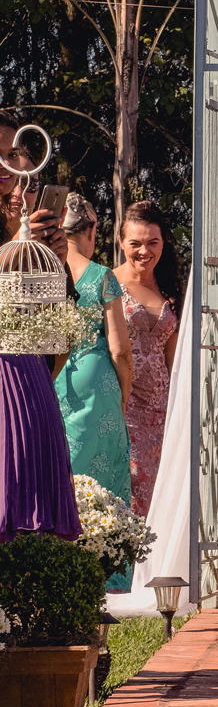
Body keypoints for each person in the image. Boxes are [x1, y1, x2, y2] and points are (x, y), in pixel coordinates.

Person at [0, 115, 80, 542]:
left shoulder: (34, 240)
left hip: (29, 381)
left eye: (13, 155)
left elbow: (56, 341)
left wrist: (56, 264)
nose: (9, 167)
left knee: (28, 517)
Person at [57, 195, 134, 586]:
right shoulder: (103, 276)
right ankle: (106, 579)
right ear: (90, 231)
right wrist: (123, 394)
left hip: (54, 379)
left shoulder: (45, 270)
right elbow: (120, 350)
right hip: (97, 382)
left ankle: (59, 568)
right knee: (104, 483)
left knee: (61, 475)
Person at [114, 201, 180, 517]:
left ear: (163, 243)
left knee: (162, 496)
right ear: (121, 242)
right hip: (124, 408)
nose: (145, 251)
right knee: (130, 494)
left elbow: (174, 359)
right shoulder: (108, 283)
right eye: (135, 243)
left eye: (153, 242)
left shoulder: (171, 288)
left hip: (164, 413)